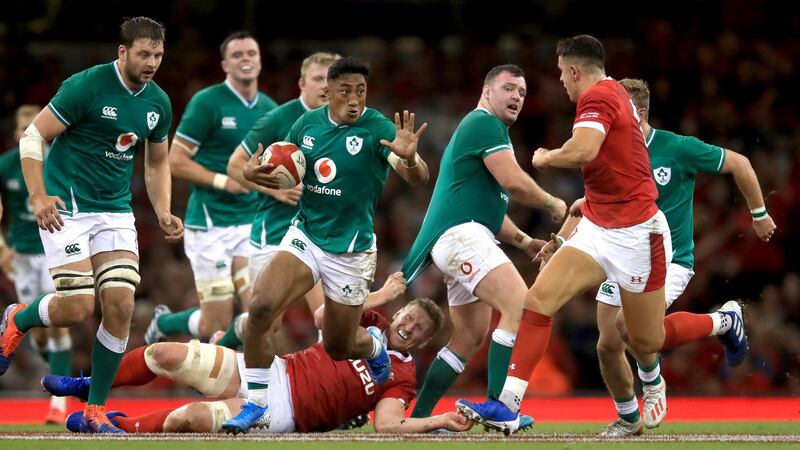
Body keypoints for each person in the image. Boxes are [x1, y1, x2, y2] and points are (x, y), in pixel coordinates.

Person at [457, 35, 672, 434]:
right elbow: (611, 167)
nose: (560, 81)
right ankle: (507, 404)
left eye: (561, 73)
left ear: (575, 71)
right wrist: (573, 226)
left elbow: (584, 150)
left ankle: (672, 361)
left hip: (640, 233)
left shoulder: (598, 97)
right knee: (538, 300)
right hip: (600, 226)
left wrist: (547, 156)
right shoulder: (614, 94)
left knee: (646, 340)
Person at [534, 78, 773, 437]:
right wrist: (561, 240)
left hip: (670, 257)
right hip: (620, 252)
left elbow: (738, 162)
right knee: (607, 345)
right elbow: (586, 205)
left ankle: (709, 332)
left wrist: (758, 214)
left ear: (639, 112)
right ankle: (629, 419)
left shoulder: (674, 148)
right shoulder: (605, 150)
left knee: (628, 329)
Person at [222, 56, 431, 433]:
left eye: (361, 91)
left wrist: (410, 157)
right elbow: (271, 167)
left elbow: (417, 176)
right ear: (328, 92)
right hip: (306, 236)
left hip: (351, 252)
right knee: (260, 309)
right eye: (346, 91)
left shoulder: (377, 127)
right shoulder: (306, 124)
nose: (354, 99)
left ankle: (372, 348)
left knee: (338, 345)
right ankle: (255, 403)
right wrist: (257, 175)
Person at [0, 17, 182, 434]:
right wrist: (38, 195)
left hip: (115, 212)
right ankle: (18, 319)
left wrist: (163, 209)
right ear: (122, 52)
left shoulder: (159, 103)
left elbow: (156, 163)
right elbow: (32, 137)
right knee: (78, 307)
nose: (152, 62)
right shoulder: (86, 85)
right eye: (143, 54)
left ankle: (94, 411)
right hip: (68, 207)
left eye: (158, 54)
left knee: (120, 305)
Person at [400, 64, 566, 419]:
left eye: (522, 93)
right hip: (462, 238)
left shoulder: (484, 133)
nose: (517, 98)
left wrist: (524, 242)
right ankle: (498, 405)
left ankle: (419, 419)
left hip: (460, 238)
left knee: (469, 337)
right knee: (520, 305)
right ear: (487, 91)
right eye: (508, 89)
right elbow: (515, 182)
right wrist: (552, 202)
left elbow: (487, 208)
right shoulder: (483, 123)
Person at [46, 299, 471, 434]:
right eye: (409, 316)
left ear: (424, 340)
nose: (410, 326)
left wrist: (437, 421)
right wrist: (381, 292)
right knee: (165, 354)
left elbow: (387, 427)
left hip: (284, 414)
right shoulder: (372, 321)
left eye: (420, 328)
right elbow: (325, 315)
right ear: (397, 315)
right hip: (273, 372)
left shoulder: (404, 377)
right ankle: (90, 386)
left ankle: (116, 427)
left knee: (186, 418)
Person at [145, 31, 279, 343]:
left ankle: (252, 387)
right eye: (237, 55)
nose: (245, 59)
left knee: (259, 313)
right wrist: (223, 181)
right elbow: (175, 161)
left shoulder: (271, 110)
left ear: (260, 61)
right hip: (209, 226)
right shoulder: (207, 103)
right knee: (214, 325)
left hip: (251, 224)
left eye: (251, 54)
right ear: (225, 64)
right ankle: (167, 323)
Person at [220, 52, 341, 348]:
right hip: (273, 231)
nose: (325, 86)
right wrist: (275, 189)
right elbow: (235, 165)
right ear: (302, 83)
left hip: (318, 233)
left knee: (328, 316)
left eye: (331, 80)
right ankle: (223, 341)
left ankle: (334, 388)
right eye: (318, 79)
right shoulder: (279, 118)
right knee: (266, 323)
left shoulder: (344, 124)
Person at [0, 105, 73, 424]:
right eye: (19, 128)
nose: (24, 133)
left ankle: (59, 403)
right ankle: (55, 370)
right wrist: (1, 247)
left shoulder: (59, 161)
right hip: (21, 255)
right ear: (15, 133)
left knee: (59, 322)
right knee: (37, 331)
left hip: (52, 250)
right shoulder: (5, 165)